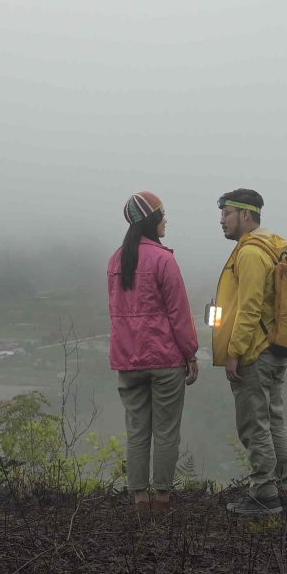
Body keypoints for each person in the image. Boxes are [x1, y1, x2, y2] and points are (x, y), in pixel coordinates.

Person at [107, 190, 200, 510]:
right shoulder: (163, 260)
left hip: (127, 359)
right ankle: (161, 498)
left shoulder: (116, 260)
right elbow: (179, 313)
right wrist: (190, 353)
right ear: (151, 220)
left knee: (137, 430)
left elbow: (115, 311)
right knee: (166, 431)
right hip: (165, 359)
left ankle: (138, 497)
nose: (165, 220)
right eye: (162, 215)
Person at [211, 188, 287, 517]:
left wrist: (234, 351)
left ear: (245, 215)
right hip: (273, 350)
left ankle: (264, 493)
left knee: (254, 425)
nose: (222, 221)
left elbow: (248, 309)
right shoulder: (269, 248)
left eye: (227, 214)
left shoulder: (250, 253)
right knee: (274, 420)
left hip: (254, 353)